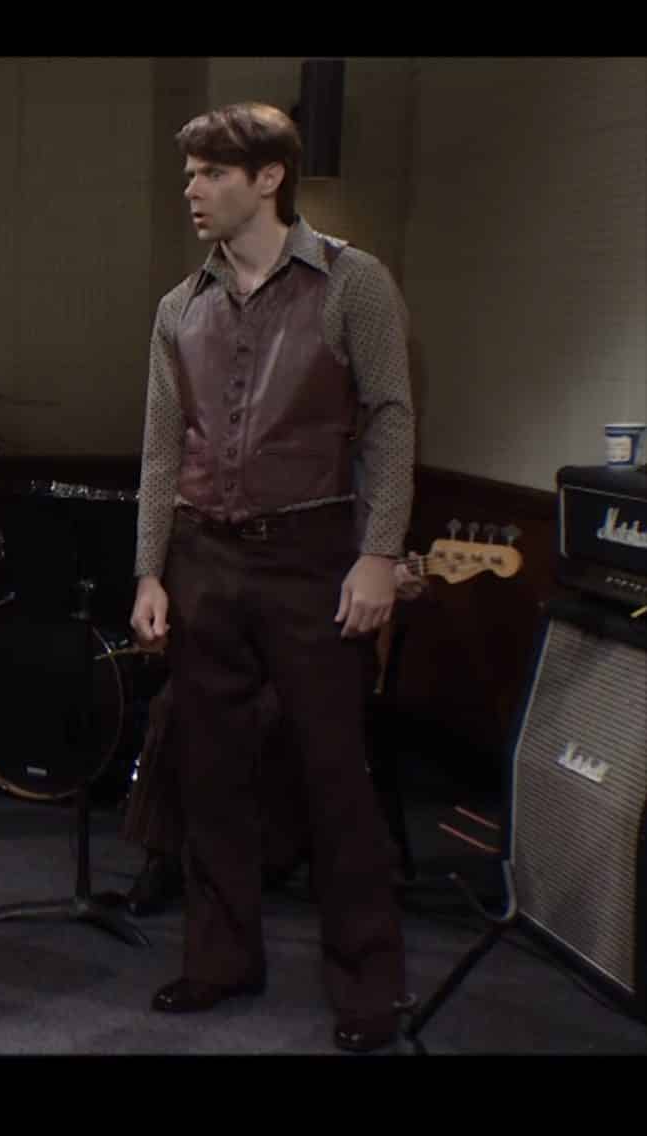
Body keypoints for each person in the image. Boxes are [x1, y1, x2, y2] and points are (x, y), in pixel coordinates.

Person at [129, 103, 416, 1053]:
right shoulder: (180, 306)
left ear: (268, 179)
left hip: (311, 554)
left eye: (212, 172)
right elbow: (161, 449)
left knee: (334, 775)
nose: (192, 189)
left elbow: (391, 417)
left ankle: (368, 985)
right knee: (209, 772)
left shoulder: (351, 282)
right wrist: (149, 573)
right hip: (203, 556)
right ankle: (220, 959)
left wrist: (379, 553)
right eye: (189, 173)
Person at [117, 562, 427, 915]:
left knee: (272, 712)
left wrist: (390, 576)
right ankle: (163, 856)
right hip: (253, 635)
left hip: (328, 648)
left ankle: (272, 853)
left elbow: (387, 562)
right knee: (173, 703)